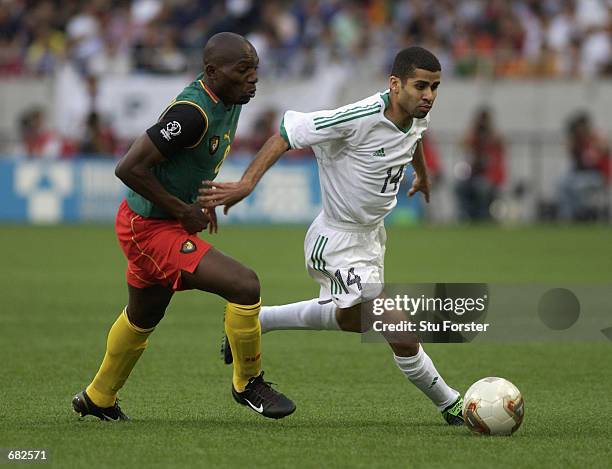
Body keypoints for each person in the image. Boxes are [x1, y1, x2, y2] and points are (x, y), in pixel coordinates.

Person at [200, 47, 464, 425]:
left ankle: (260, 321)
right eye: (421, 86)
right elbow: (286, 135)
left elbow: (414, 139)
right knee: (397, 326)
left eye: (435, 87)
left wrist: (421, 174)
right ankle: (451, 403)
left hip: (371, 240)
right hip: (336, 242)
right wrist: (246, 184)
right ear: (394, 84)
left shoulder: (415, 114)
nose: (429, 95)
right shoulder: (357, 117)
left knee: (352, 319)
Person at [71, 32, 295, 421]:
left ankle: (98, 397)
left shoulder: (231, 97)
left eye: (255, 69)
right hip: (149, 227)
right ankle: (248, 384)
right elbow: (128, 167)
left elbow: (195, 159)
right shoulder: (193, 113)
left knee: (143, 316)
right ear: (211, 71)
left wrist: (196, 200)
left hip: (160, 220)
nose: (252, 78)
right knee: (245, 285)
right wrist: (181, 208)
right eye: (243, 70)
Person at [455, 107, 506, 221]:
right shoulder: (474, 137)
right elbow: (462, 144)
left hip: (490, 177)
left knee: (481, 188)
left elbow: (500, 148)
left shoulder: (494, 138)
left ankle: (483, 217)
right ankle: (465, 216)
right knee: (459, 187)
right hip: (473, 175)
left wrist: (489, 134)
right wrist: (473, 130)